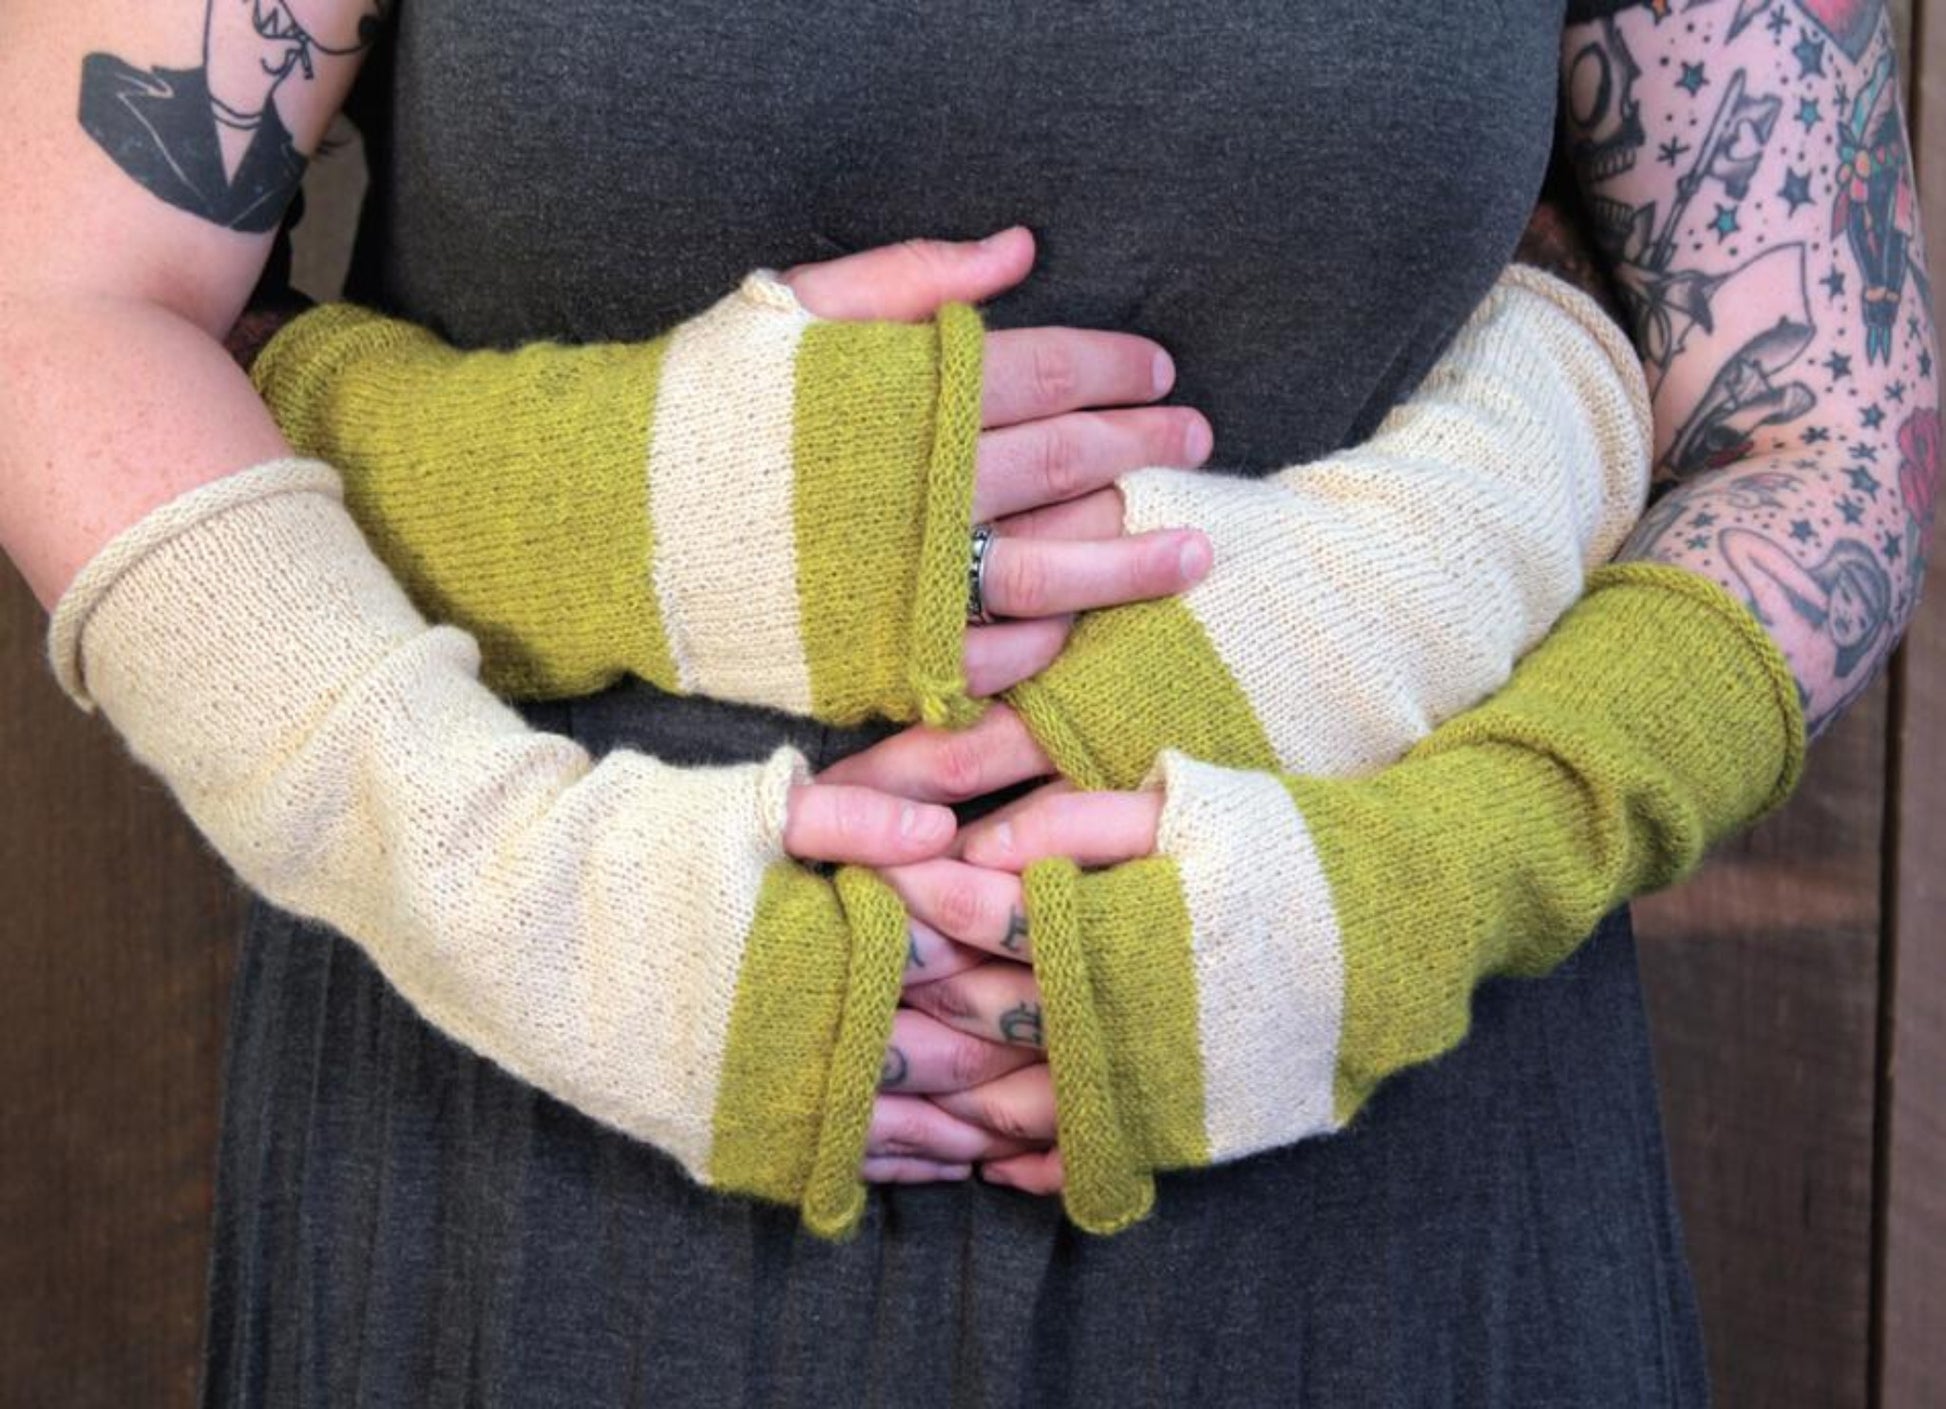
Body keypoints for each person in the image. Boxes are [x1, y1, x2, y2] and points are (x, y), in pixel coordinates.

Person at [0, 4, 1932, 1407]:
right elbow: (62, 299)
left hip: (1378, 1166)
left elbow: (1815, 424)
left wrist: (1439, 871)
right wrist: (567, 604)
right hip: (549, 1166)